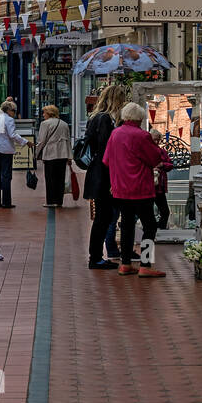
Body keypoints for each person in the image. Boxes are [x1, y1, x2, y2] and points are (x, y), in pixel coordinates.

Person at [102, 102, 166, 278]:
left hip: (120, 188)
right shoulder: (141, 136)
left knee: (127, 225)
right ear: (139, 119)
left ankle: (125, 263)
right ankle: (145, 264)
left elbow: (106, 160)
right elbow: (154, 158)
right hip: (140, 188)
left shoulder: (115, 134)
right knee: (150, 225)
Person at [83, 83, 127, 270]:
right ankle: (95, 257)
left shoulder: (96, 118)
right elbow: (107, 149)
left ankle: (97, 255)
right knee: (103, 215)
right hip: (103, 175)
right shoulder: (105, 120)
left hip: (97, 173)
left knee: (104, 215)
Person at [35, 104, 73, 208]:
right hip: (63, 154)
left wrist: (36, 153)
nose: (43, 115)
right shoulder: (64, 124)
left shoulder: (45, 124)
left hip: (50, 154)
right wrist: (70, 156)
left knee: (50, 178)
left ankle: (51, 201)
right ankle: (59, 201)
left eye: (44, 113)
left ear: (49, 113)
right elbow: (68, 141)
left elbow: (42, 141)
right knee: (60, 178)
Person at [149, 128, 174, 230]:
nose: (156, 142)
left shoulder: (162, 152)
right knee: (148, 213)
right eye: (154, 139)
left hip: (160, 187)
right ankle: (152, 230)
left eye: (158, 140)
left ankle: (160, 230)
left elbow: (170, 165)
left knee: (165, 211)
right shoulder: (145, 151)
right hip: (148, 187)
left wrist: (162, 164)